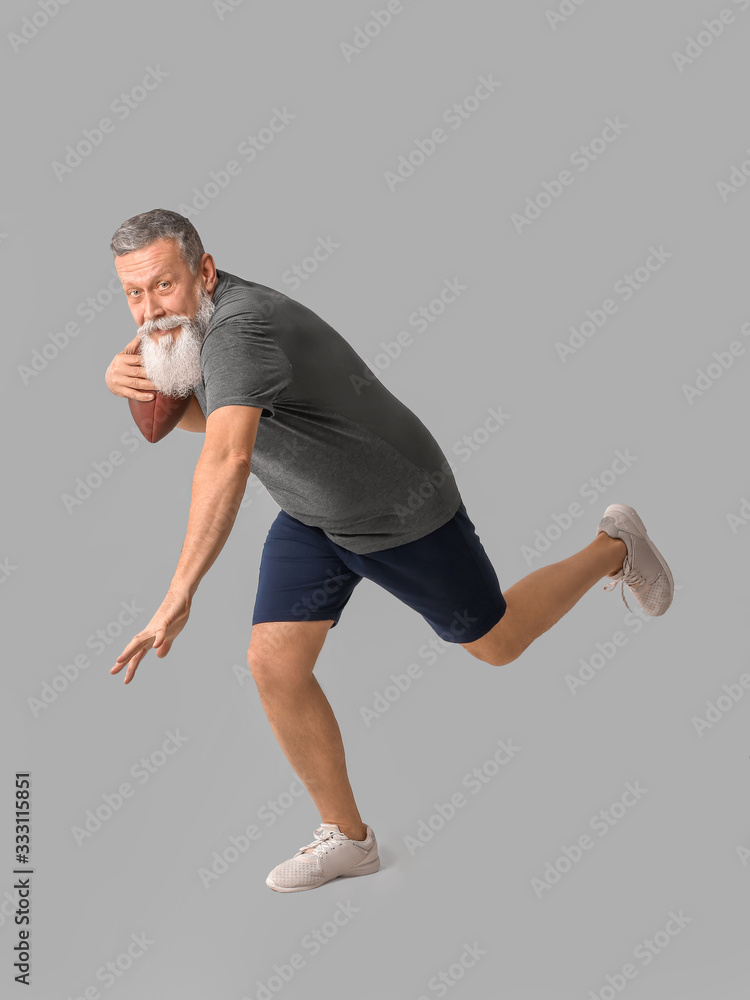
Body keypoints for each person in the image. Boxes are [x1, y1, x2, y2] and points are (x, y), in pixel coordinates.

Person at [105, 209, 674, 894]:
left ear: (204, 270)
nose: (148, 309)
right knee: (274, 665)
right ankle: (348, 839)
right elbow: (217, 418)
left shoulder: (240, 329)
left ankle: (614, 545)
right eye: (133, 293)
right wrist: (132, 384)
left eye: (161, 286)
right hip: (315, 513)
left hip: (396, 507)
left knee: (497, 642)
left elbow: (227, 455)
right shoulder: (194, 327)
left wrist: (179, 593)